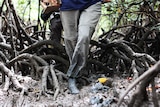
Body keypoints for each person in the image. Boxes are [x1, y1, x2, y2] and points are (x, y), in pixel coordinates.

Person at [52, 0, 111, 94]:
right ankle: (79, 71)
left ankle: (72, 76)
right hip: (68, 4)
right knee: (70, 39)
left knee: (84, 36)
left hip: (92, 3)